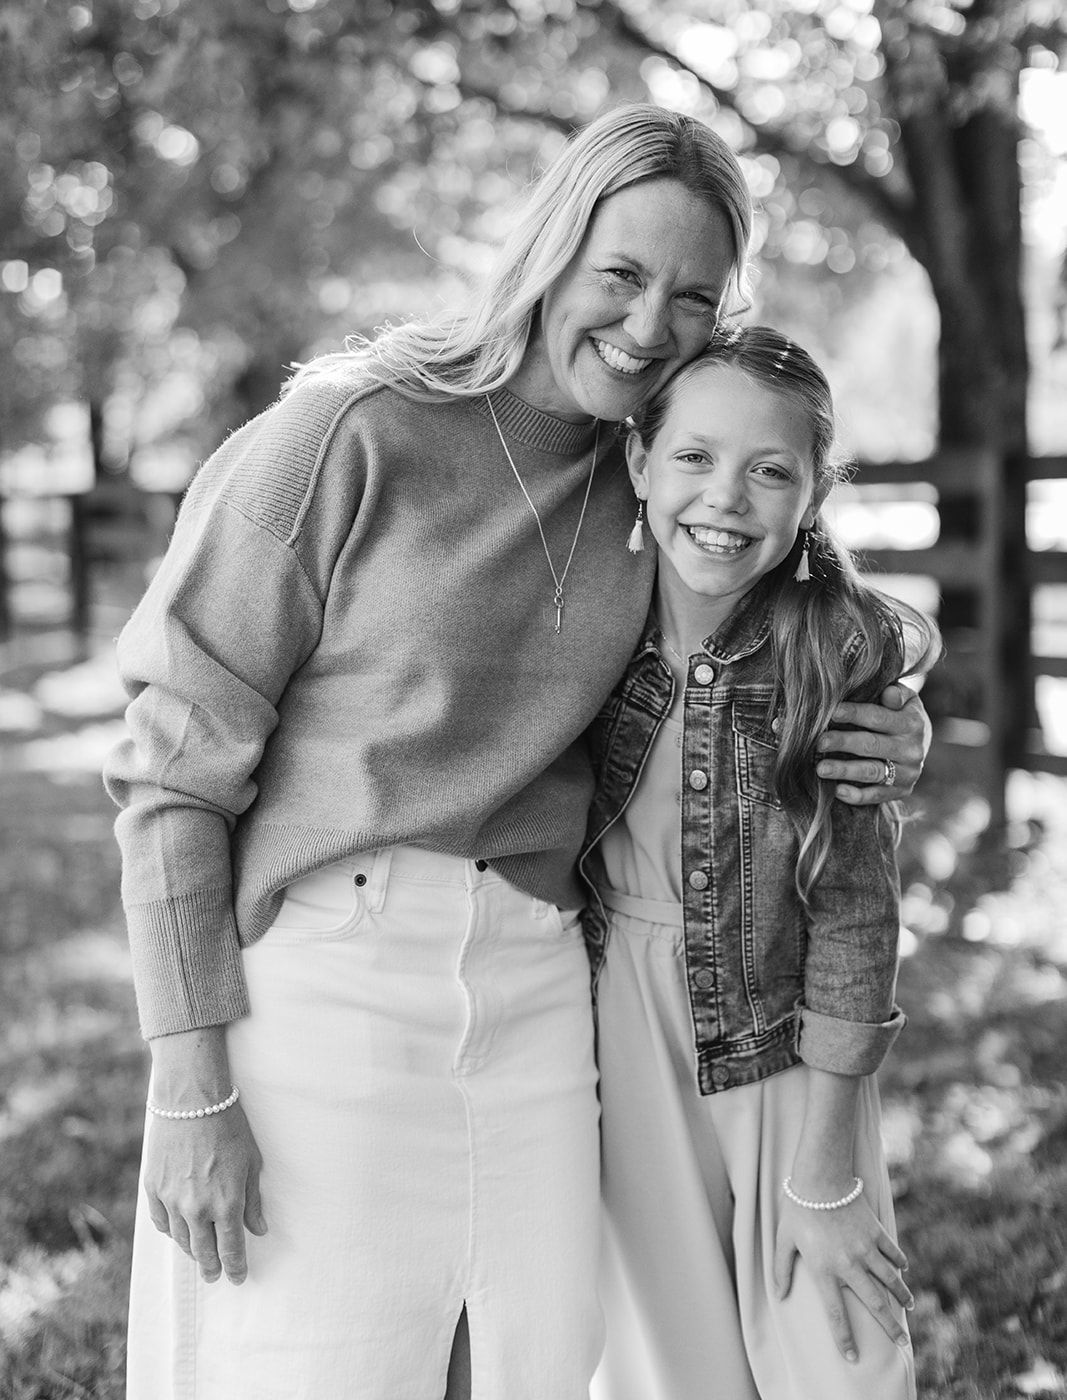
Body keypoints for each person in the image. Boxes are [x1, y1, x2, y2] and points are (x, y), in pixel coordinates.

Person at [103, 105, 929, 1400]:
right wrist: (188, 1080)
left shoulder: (651, 474)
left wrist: (893, 700)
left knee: (529, 1366)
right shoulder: (344, 437)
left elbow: (791, 608)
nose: (648, 324)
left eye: (691, 298)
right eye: (619, 275)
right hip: (331, 986)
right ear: (550, 248)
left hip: (544, 996)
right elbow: (170, 766)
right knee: (310, 1367)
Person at [583, 324, 941, 1400]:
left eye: (768, 470)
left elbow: (855, 917)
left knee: (838, 1351)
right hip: (616, 1030)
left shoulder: (831, 654)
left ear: (813, 493)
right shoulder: (579, 624)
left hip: (784, 1047)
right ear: (640, 462)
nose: (724, 497)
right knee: (668, 1368)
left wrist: (827, 1169)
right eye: (693, 457)